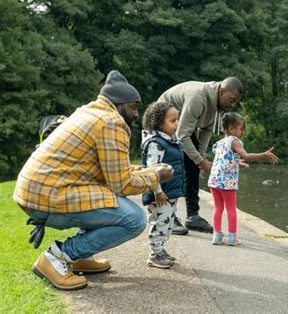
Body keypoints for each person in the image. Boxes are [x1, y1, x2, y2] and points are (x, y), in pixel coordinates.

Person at [13, 70, 173, 290]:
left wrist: (147, 170)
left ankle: (77, 257)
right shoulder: (112, 122)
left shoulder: (89, 112)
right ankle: (57, 258)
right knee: (134, 219)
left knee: (105, 198)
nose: (136, 115)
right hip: (48, 197)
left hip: (36, 191)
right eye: (134, 108)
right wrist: (155, 175)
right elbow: (122, 184)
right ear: (119, 104)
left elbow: (113, 171)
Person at [157, 77, 243, 234]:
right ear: (222, 91)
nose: (232, 104)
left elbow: (206, 131)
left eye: (235, 101)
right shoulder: (199, 97)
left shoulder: (216, 105)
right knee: (174, 165)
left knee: (193, 164)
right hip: (162, 120)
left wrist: (199, 159)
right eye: (231, 99)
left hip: (181, 126)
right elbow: (182, 135)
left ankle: (192, 217)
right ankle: (168, 216)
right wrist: (202, 162)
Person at [208, 112, 278, 246]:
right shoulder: (234, 141)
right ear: (231, 129)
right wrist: (264, 154)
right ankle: (232, 238)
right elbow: (246, 155)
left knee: (218, 208)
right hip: (227, 182)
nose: (242, 132)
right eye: (241, 128)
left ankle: (216, 236)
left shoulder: (219, 143)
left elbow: (222, 159)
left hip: (214, 181)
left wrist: (236, 162)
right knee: (231, 208)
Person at [141, 101, 184, 269]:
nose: (177, 124)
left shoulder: (170, 141)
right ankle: (155, 253)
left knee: (168, 223)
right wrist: (157, 191)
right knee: (160, 222)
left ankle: (160, 250)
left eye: (177, 120)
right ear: (159, 123)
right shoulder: (156, 143)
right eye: (172, 121)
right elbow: (152, 170)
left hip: (169, 193)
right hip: (160, 194)